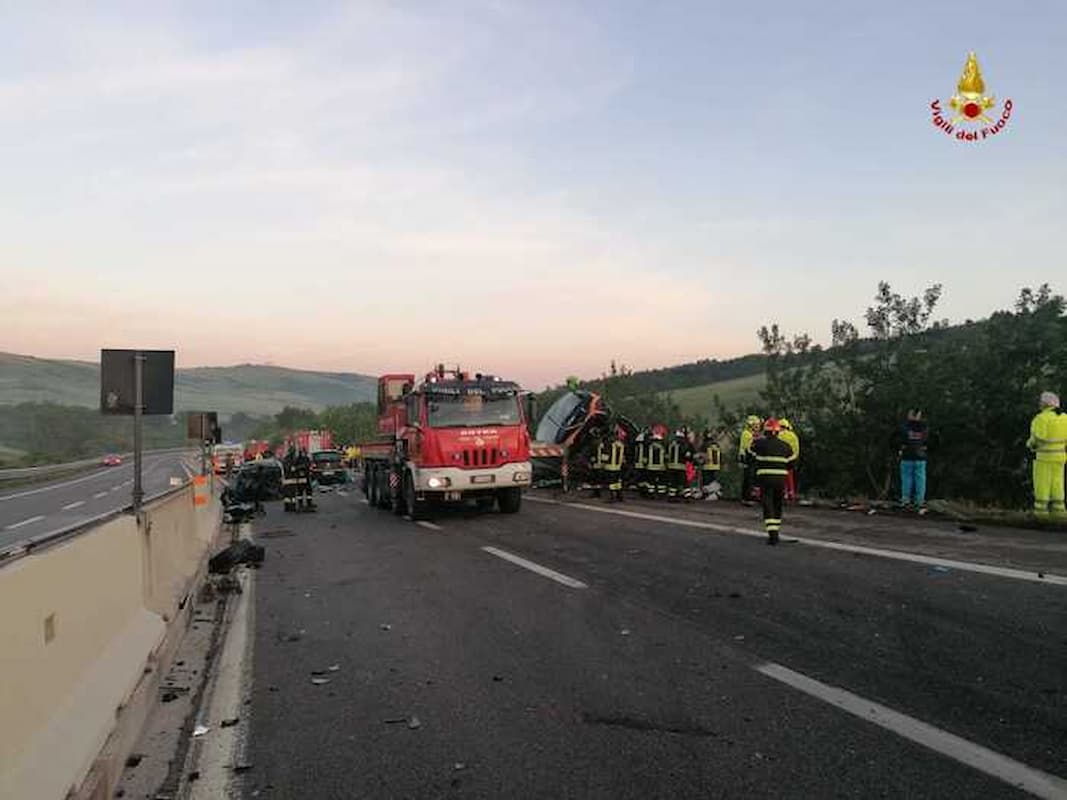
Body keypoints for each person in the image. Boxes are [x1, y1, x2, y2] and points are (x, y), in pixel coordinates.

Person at [752, 418, 792, 545]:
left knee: (768, 504)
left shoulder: (759, 444)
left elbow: (750, 455)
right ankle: (776, 531)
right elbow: (792, 463)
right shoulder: (786, 446)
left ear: (766, 431)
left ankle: (772, 535)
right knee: (777, 504)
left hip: (765, 479)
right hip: (781, 479)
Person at [1027, 391, 1067, 518]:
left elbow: (1039, 438)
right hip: (1060, 457)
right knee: (1058, 484)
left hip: (1044, 458)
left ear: (1045, 404)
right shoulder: (1064, 418)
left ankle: (1041, 513)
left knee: (1042, 485)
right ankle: (1059, 512)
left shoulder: (1041, 418)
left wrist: (1030, 445)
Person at [898, 409, 929, 512]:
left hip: (907, 456)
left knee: (906, 479)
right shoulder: (924, 427)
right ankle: (919, 501)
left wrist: (900, 449)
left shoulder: (904, 427)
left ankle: (905, 500)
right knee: (920, 480)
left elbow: (899, 439)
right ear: (919, 416)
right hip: (921, 457)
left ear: (910, 415)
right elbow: (928, 440)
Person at [738, 415, 762, 504]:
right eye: (756, 425)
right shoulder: (747, 434)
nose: (758, 427)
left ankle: (749, 496)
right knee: (749, 478)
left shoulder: (749, 433)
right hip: (748, 458)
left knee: (750, 478)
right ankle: (747, 497)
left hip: (749, 457)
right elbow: (749, 447)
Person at [778, 418, 800, 502]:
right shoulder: (793, 435)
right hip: (791, 459)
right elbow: (796, 449)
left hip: (780, 459)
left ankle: (784, 493)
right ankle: (791, 493)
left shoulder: (779, 435)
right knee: (789, 477)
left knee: (781, 477)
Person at [603, 426, 626, 502]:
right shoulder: (621, 445)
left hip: (610, 467)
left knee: (611, 483)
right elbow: (622, 457)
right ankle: (620, 496)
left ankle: (612, 497)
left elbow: (606, 456)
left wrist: (602, 463)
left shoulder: (610, 444)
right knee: (617, 482)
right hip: (618, 467)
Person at [699, 428, 722, 499]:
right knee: (712, 479)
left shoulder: (705, 444)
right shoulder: (716, 444)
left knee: (706, 481)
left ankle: (708, 493)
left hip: (707, 465)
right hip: (715, 466)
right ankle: (714, 492)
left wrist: (699, 461)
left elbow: (702, 455)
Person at [646, 428, 667, 498]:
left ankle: (651, 493)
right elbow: (666, 457)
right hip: (661, 468)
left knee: (651, 481)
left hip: (650, 467)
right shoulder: (662, 447)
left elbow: (645, 457)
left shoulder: (649, 447)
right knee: (661, 482)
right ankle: (661, 494)